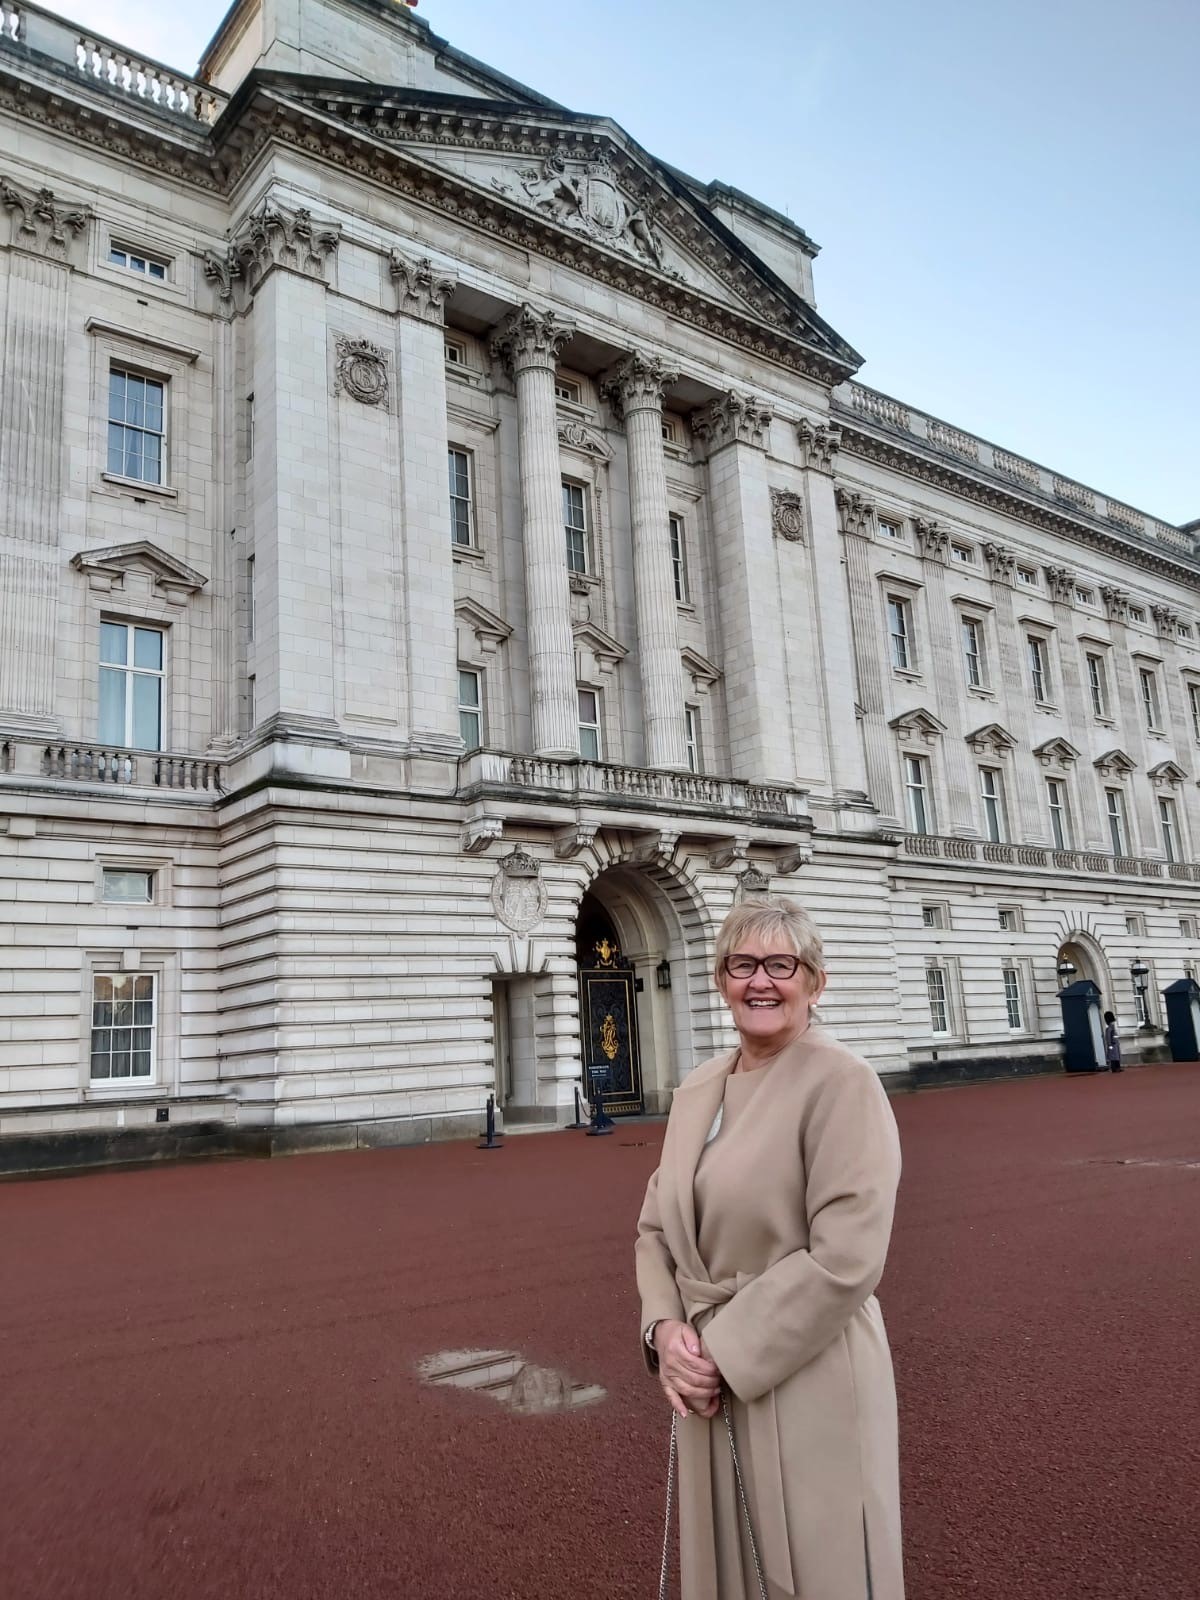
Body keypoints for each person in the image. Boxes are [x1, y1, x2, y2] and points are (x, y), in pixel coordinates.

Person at [636, 897, 903, 1600]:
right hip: (703, 1370)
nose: (761, 981)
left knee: (817, 1569)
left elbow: (847, 1254)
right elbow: (657, 1226)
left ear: (815, 980)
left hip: (806, 1368)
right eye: (742, 964)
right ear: (721, 979)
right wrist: (664, 1331)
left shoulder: (843, 1082)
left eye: (781, 964)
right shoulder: (698, 1088)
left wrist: (719, 1352)